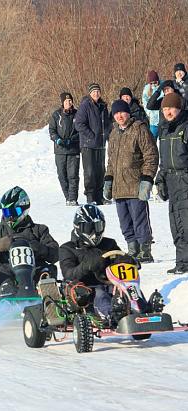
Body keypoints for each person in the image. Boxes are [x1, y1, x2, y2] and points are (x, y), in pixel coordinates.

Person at [104, 99, 158, 262]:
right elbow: (111, 161)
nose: (119, 116)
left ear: (128, 113)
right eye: (116, 113)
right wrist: (108, 179)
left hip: (135, 185)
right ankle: (132, 248)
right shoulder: (113, 133)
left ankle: (145, 250)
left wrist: (147, 179)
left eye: (122, 112)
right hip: (119, 187)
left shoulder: (139, 129)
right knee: (125, 221)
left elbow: (151, 155)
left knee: (139, 219)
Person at [0, 186, 59, 285]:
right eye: (7, 212)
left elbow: (56, 254)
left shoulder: (39, 230)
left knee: (47, 272)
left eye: (14, 212)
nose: (10, 216)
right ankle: (5, 296)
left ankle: (48, 297)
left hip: (34, 273)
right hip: (7, 272)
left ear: (25, 210)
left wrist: (40, 248)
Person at [59, 204, 120, 322]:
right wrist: (87, 265)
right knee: (100, 294)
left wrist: (128, 260)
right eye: (89, 228)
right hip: (85, 290)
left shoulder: (109, 244)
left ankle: (143, 310)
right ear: (79, 227)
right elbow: (68, 274)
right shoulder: (67, 249)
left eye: (98, 226)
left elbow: (119, 262)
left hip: (110, 284)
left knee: (129, 289)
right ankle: (112, 318)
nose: (94, 232)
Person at [155, 93, 188, 274]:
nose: (167, 112)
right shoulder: (165, 130)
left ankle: (185, 263)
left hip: (185, 179)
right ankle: (182, 261)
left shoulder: (186, 127)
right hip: (171, 180)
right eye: (165, 109)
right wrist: (161, 179)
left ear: (179, 108)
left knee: (185, 222)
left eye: (171, 108)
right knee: (175, 223)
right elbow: (164, 160)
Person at [75, 83, 112, 205]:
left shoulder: (103, 106)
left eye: (98, 91)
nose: (96, 93)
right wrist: (91, 135)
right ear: (90, 93)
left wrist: (106, 135)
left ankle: (99, 196)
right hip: (88, 145)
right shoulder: (85, 105)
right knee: (90, 172)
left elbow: (107, 123)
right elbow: (79, 124)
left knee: (100, 171)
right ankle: (90, 197)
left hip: (100, 144)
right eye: (94, 91)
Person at [49, 92, 81, 206]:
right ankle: (67, 197)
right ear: (62, 103)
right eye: (66, 101)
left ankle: (73, 198)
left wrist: (71, 140)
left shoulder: (78, 114)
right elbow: (52, 130)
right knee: (62, 175)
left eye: (70, 101)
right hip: (60, 151)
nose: (68, 103)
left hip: (73, 150)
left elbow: (80, 130)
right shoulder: (56, 115)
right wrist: (57, 139)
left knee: (73, 175)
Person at [142, 71, 161, 139]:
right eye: (151, 83)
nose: (153, 84)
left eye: (155, 82)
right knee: (152, 139)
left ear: (158, 80)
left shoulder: (162, 86)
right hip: (153, 121)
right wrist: (149, 113)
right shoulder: (147, 89)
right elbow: (145, 102)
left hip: (163, 119)